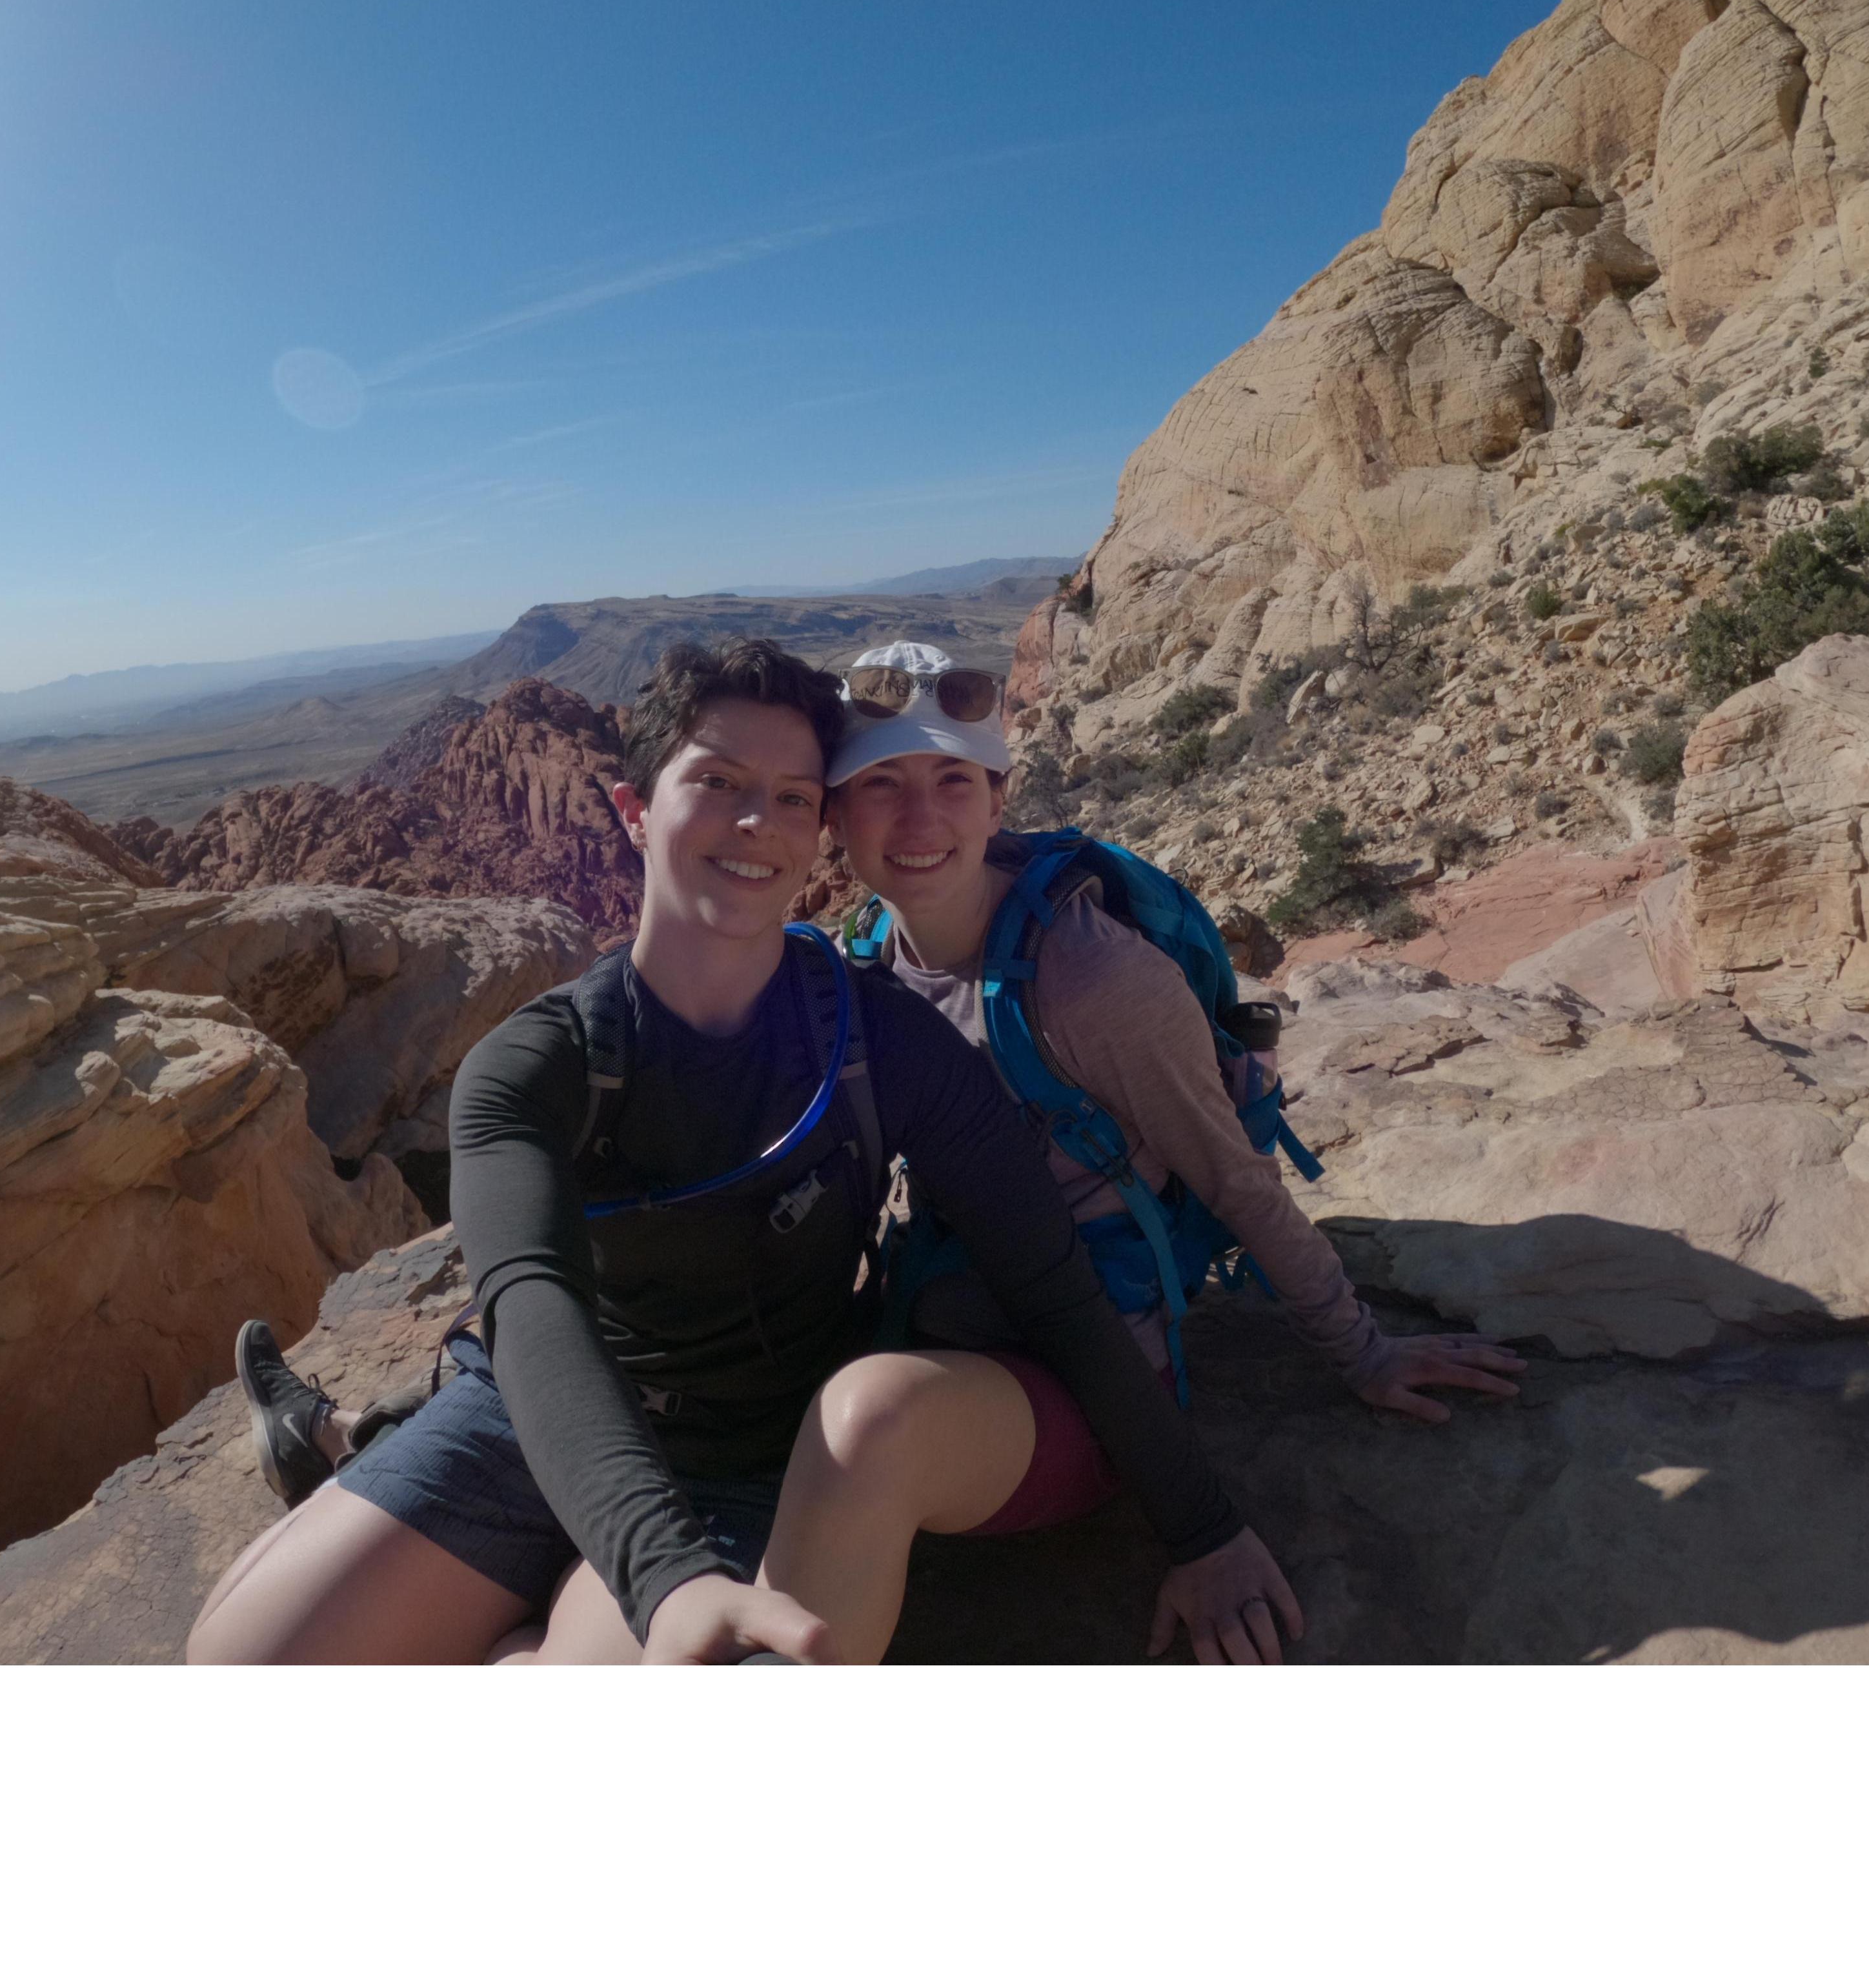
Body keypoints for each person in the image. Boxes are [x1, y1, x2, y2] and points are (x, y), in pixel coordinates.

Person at [188, 635, 1298, 1665]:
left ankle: (501, 1606)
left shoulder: (881, 1042)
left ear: (820, 829)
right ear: (633, 807)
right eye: (716, 782)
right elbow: (532, 1312)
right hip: (535, 1422)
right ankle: (483, 1556)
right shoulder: (535, 1067)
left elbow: (1050, 1286)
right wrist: (661, 1577)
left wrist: (1203, 1529)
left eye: (792, 798)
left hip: (751, 1453)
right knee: (238, 1664)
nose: (756, 823)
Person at [769, 640, 1525, 1618]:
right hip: (951, 1303)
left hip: (1093, 1373)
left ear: (998, 800)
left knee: (855, 1446)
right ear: (835, 816)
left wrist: (1363, 1351)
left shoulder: (1090, 981)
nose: (919, 818)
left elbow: (1233, 1175)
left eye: (953, 779)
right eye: (879, 784)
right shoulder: (866, 956)